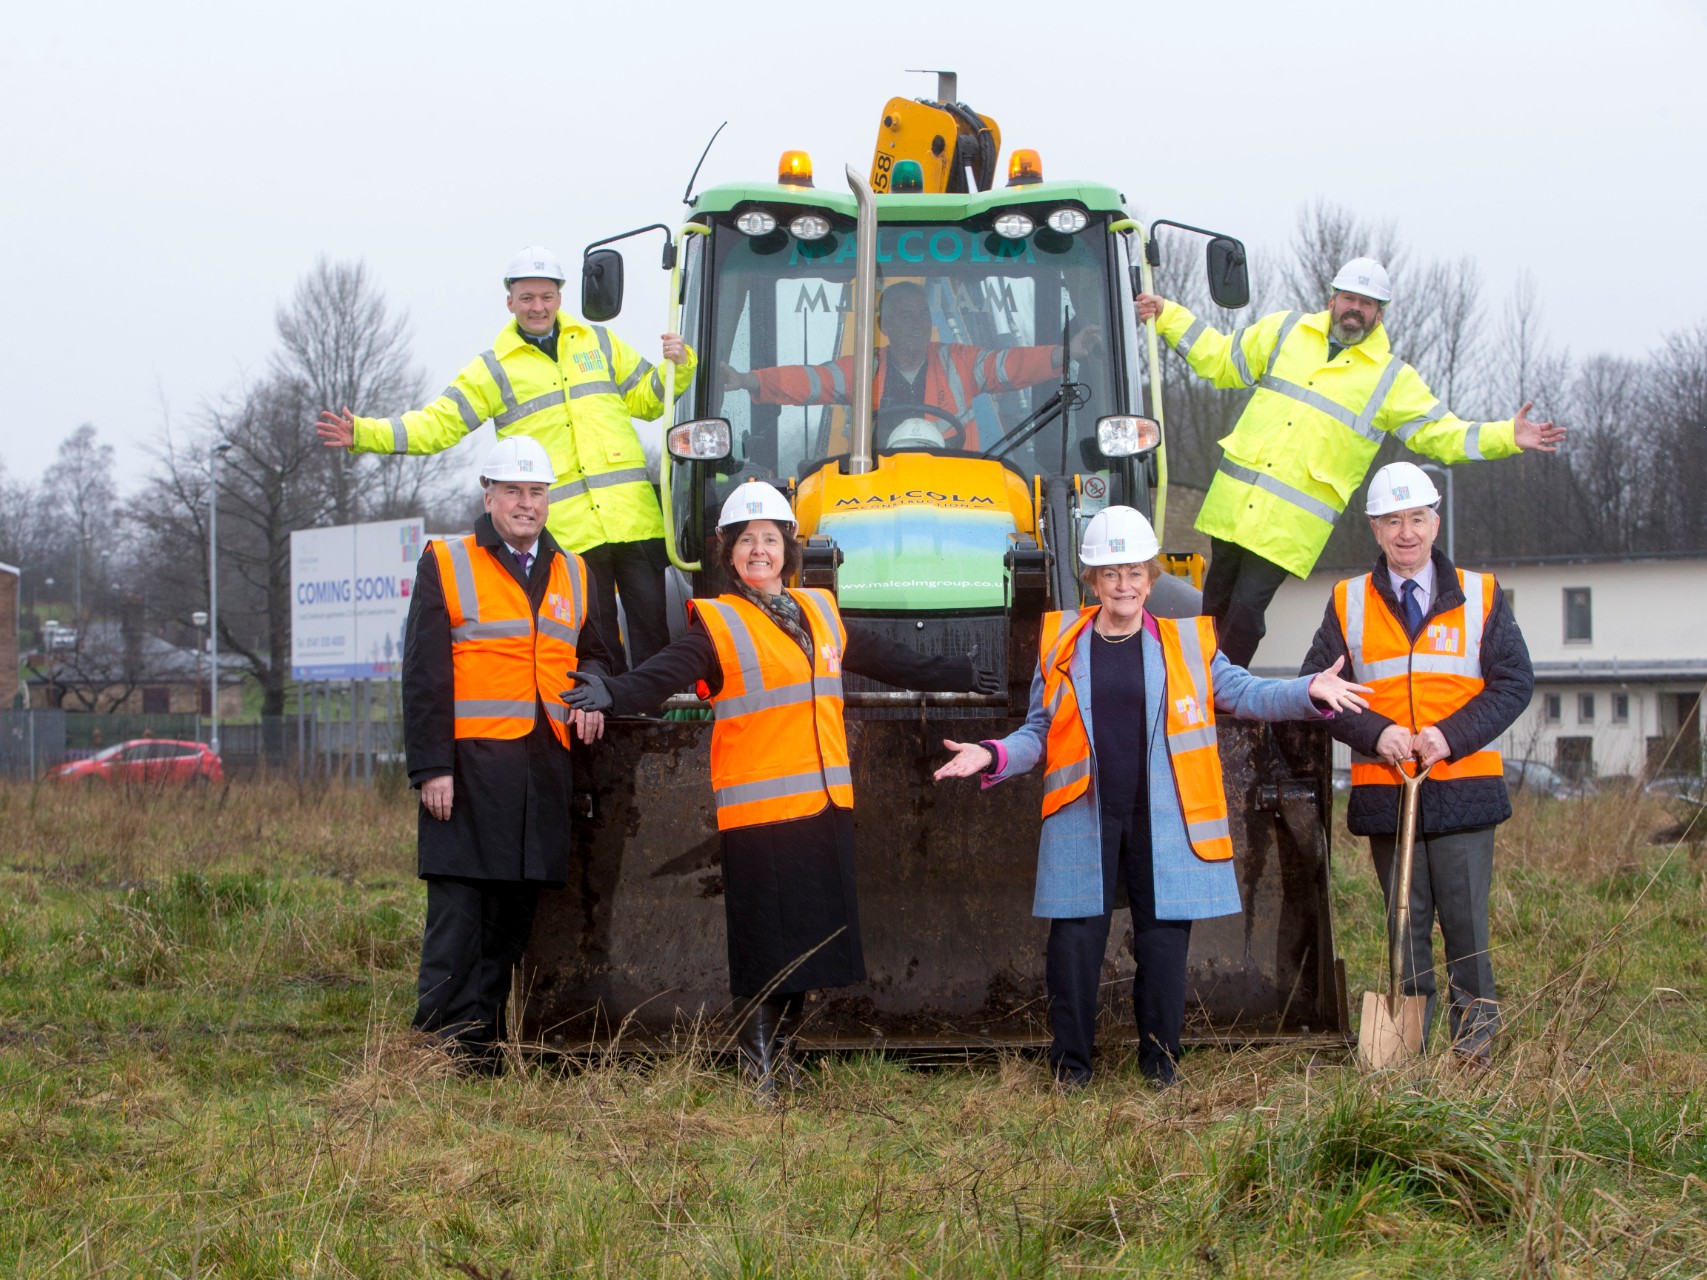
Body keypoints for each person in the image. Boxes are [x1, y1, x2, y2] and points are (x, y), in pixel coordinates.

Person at [562, 480, 1000, 1097]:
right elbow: (665, 673)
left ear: (787, 549)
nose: (759, 551)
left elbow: (883, 656)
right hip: (762, 810)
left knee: (813, 938)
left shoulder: (819, 610)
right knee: (768, 940)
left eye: (770, 540)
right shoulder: (717, 623)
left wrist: (958, 672)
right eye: (747, 542)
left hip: (823, 801)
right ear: (728, 553)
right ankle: (759, 1061)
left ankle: (784, 1051)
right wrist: (616, 692)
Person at [934, 507, 1373, 1088]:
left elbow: (1242, 691)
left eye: (1135, 573)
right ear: (1092, 579)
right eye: (1111, 573)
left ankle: (1160, 1066)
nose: (1124, 585)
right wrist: (992, 753)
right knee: (1074, 950)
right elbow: (1040, 731)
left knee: (1164, 948)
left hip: (1164, 820)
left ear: (1150, 577)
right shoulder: (1063, 646)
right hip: (1083, 816)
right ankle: (1071, 1069)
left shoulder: (1184, 644)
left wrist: (1307, 690)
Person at [1136, 256, 1566, 668]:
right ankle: (1192, 683)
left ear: (1380, 314)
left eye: (1366, 304)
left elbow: (1442, 433)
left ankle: (1218, 692)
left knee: (1247, 610)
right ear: (1332, 300)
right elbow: (1221, 360)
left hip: (1288, 525)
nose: (1355, 310)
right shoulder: (1286, 331)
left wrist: (1507, 436)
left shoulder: (1390, 378)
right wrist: (1169, 316)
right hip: (1236, 502)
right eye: (1349, 299)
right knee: (1215, 601)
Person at [317, 245, 696, 674]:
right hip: (572, 532)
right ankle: (611, 730)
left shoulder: (600, 344)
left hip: (633, 521)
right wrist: (366, 433)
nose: (538, 307)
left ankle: (659, 727)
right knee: (597, 641)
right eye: (528, 298)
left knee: (653, 631)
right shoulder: (494, 369)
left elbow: (648, 402)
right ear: (510, 301)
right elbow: (438, 424)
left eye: (546, 296)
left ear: (560, 297)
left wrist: (678, 368)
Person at [1300, 462, 1533, 1065]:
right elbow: (1318, 689)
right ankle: (1407, 1055)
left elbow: (1512, 683)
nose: (1407, 533)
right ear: (1375, 530)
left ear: (1436, 522)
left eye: (1418, 519)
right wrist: (1377, 733)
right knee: (1405, 929)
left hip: (1462, 790)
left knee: (1466, 932)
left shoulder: (1481, 594)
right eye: (1393, 521)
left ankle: (1474, 1051)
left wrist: (1447, 737)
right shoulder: (1347, 601)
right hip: (1387, 792)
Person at [402, 436, 615, 1071]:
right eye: (514, 492)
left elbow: (598, 655)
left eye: (537, 492)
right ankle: (431, 1047)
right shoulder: (446, 561)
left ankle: (478, 1045)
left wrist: (594, 693)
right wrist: (431, 767)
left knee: (511, 918)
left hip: (543, 769)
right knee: (461, 914)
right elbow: (424, 673)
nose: (527, 504)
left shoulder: (575, 571)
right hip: (469, 770)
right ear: (488, 496)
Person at [722, 281, 1101, 448]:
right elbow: (809, 381)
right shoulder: (863, 370)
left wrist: (1067, 352)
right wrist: (746, 380)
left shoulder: (960, 363)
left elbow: (1013, 364)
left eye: (922, 315)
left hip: (964, 492)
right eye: (904, 315)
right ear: (884, 325)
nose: (917, 324)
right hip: (875, 491)